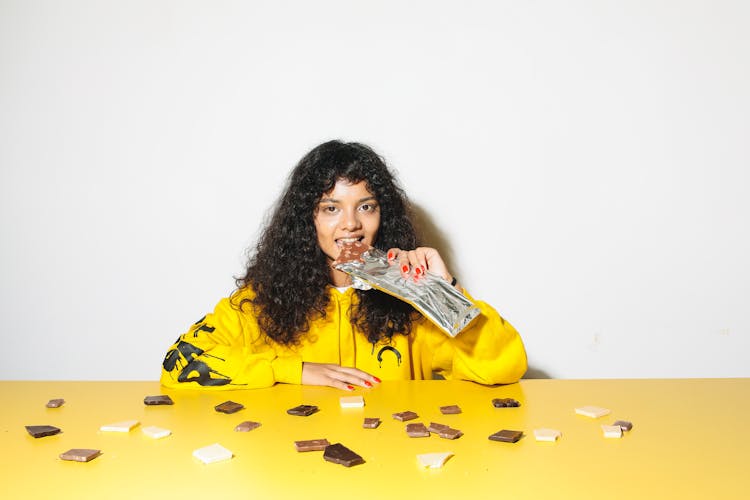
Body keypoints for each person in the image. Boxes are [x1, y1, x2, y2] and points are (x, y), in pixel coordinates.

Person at [160, 140, 526, 391]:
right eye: (331, 208)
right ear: (308, 219)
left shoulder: (413, 302)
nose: (351, 224)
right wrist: (295, 372)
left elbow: (507, 365)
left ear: (384, 215)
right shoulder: (262, 301)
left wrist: (442, 292)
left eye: (366, 206)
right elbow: (179, 364)